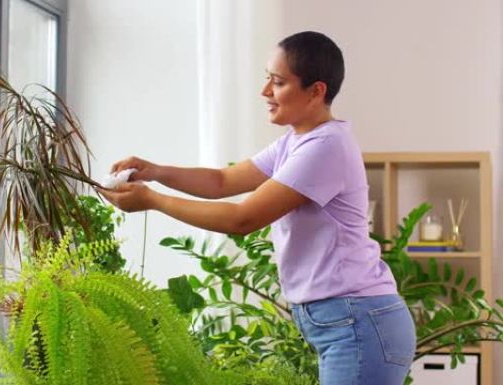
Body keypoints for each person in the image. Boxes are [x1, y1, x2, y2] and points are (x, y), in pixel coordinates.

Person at [97, 31, 416, 385]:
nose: (265, 91)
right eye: (267, 78)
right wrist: (156, 171)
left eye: (278, 82)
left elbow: (243, 219)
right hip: (350, 322)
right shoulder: (296, 142)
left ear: (316, 91)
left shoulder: (325, 148)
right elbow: (222, 181)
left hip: (357, 322)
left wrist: (152, 200)